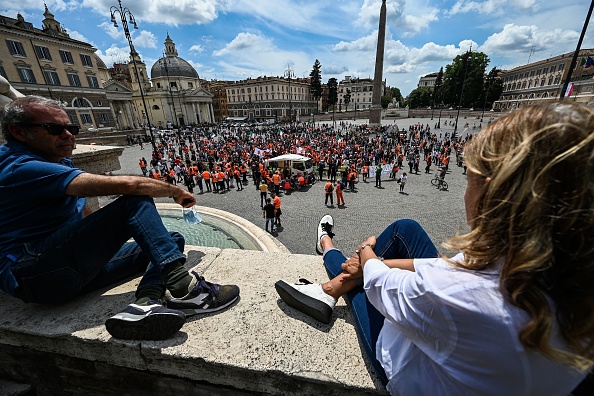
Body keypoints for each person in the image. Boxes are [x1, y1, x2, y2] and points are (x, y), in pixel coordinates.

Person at [275, 103, 594, 395]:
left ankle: (327, 262)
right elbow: (454, 267)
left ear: (491, 192)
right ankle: (332, 271)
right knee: (406, 229)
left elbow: (378, 282)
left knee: (358, 279)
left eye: (469, 178)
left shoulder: (463, 298)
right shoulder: (556, 267)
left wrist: (368, 251)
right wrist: (377, 263)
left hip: (402, 367)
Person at [0, 96, 240, 341]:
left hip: (66, 272)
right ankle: (186, 290)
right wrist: (175, 191)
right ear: (18, 131)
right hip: (35, 274)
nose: (68, 135)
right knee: (134, 201)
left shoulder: (55, 161)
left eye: (71, 128)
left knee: (171, 240)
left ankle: (147, 302)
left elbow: (84, 218)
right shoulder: (19, 167)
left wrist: (102, 238)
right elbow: (131, 185)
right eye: (54, 129)